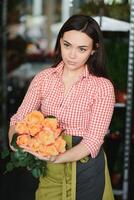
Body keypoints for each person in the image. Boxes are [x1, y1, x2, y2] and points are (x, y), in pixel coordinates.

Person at [8, 14, 115, 200]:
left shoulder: (102, 87)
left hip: (86, 170)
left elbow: (93, 141)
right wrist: (19, 146)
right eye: (67, 45)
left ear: (93, 50)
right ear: (60, 42)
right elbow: (19, 120)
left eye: (82, 49)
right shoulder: (44, 78)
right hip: (50, 171)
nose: (72, 55)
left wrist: (57, 157)